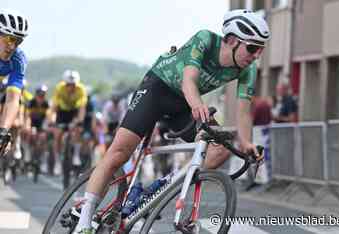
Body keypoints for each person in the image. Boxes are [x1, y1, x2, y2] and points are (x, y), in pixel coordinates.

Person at [75, 9, 270, 234]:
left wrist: (246, 143)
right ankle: (84, 221)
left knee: (220, 148)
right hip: (157, 90)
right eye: (252, 48)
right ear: (232, 40)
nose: (256, 55)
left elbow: (244, 112)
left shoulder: (248, 69)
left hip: (183, 105)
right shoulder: (205, 39)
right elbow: (189, 80)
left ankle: (161, 186)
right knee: (119, 153)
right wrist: (198, 105)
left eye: (260, 50)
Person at [0, 9, 29, 152]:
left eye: (18, 41)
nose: (12, 46)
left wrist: (3, 130)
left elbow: (12, 99)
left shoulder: (18, 59)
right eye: (10, 39)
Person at [50, 69, 87, 174]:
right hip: (62, 112)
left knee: (78, 130)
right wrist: (52, 120)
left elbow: (82, 108)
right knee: (57, 135)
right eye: (68, 85)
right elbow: (54, 107)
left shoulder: (81, 89)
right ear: (65, 83)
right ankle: (57, 162)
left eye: (73, 85)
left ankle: (76, 154)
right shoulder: (59, 88)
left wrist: (79, 121)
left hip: (74, 112)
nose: (71, 87)